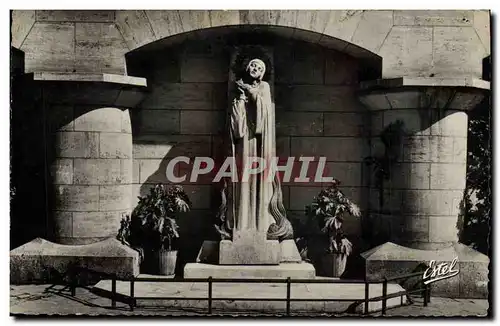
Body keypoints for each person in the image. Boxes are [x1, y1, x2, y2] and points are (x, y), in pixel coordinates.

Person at [216, 58, 293, 241]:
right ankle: (240, 224)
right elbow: (235, 125)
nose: (255, 68)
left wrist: (251, 92)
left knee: (260, 179)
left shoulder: (264, 87)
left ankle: (260, 225)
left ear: (263, 73)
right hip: (244, 143)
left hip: (260, 143)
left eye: (259, 67)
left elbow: (265, 113)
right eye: (252, 65)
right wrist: (241, 100)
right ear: (246, 67)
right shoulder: (238, 89)